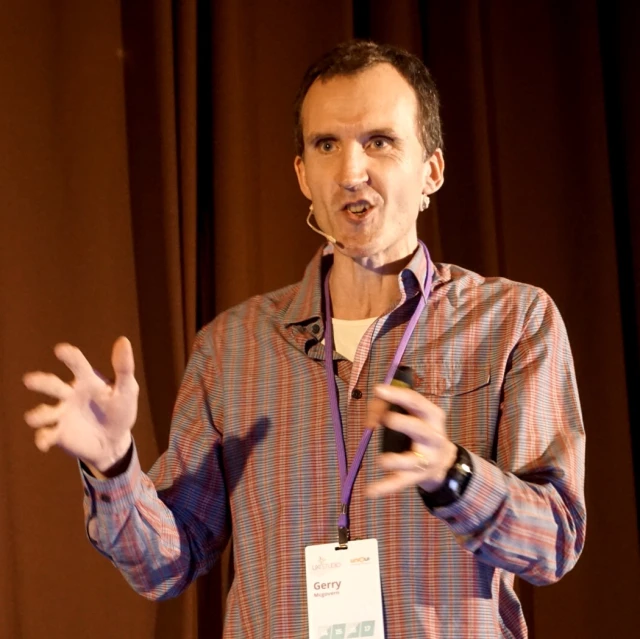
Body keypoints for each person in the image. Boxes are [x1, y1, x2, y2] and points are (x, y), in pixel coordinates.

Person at [23, 41, 586, 638]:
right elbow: (166, 564)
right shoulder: (232, 348)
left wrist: (454, 473)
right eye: (326, 145)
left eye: (380, 141)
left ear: (432, 171)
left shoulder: (514, 321)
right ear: (302, 175)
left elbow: (554, 542)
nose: (350, 171)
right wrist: (113, 467)